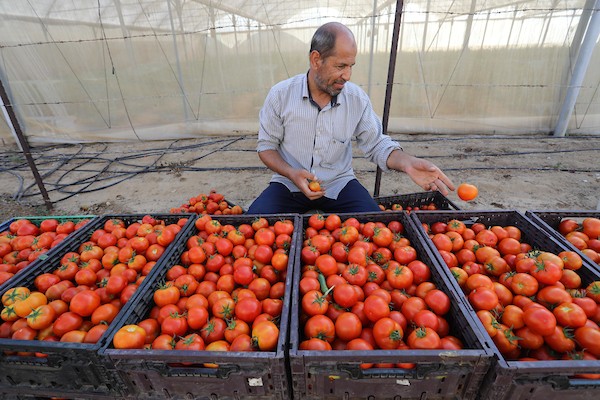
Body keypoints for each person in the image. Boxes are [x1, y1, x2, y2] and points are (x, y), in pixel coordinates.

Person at [247, 22, 454, 214]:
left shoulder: (356, 99)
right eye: (340, 66)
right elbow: (267, 147)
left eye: (351, 66)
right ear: (316, 60)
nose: (347, 75)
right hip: (288, 184)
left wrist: (407, 163)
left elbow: (377, 144)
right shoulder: (281, 95)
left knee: (376, 230)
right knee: (253, 225)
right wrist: (292, 173)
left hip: (339, 184)